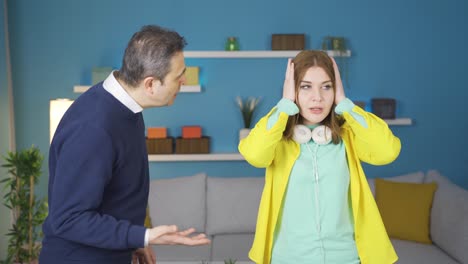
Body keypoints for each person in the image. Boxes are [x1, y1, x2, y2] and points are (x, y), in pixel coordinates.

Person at [39, 25, 210, 264]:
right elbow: (69, 218)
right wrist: (143, 235)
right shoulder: (94, 128)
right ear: (150, 84)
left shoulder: (127, 106)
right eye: (178, 75)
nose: (184, 81)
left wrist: (132, 241)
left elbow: (116, 194)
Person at [239, 50, 401, 264]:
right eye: (306, 87)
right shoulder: (277, 138)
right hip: (288, 258)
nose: (318, 97)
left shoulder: (348, 136)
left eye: (327, 86)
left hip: (346, 257)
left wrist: (345, 104)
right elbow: (254, 154)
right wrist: (285, 105)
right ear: (292, 89)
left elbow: (387, 151)